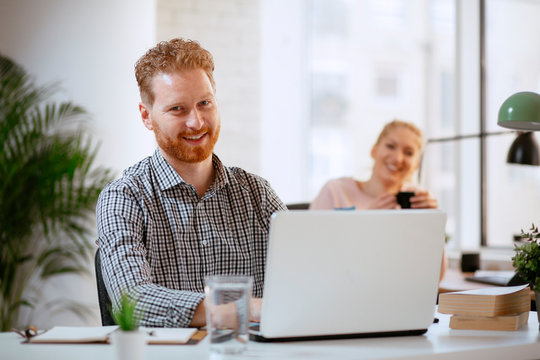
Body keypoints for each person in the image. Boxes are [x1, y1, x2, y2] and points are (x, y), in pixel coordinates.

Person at [96, 38, 286, 328]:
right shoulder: (123, 197)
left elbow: (307, 280)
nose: (196, 122)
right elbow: (132, 301)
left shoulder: (256, 193)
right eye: (178, 109)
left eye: (204, 103)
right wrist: (242, 310)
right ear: (147, 116)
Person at [309, 120, 447, 279]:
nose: (397, 158)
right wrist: (368, 223)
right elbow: (316, 260)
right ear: (374, 150)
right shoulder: (335, 192)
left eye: (408, 152)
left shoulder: (418, 202)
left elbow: (435, 276)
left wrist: (434, 225)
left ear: (416, 165)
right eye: (390, 146)